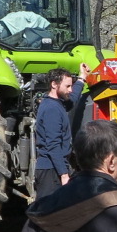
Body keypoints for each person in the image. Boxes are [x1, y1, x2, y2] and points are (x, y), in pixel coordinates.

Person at [33, 69, 78, 201]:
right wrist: (63, 174)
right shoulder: (51, 109)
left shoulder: (57, 104)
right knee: (47, 215)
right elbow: (53, 144)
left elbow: (73, 99)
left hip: (54, 168)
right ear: (54, 84)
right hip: (50, 171)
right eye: (67, 86)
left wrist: (82, 79)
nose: (70, 90)